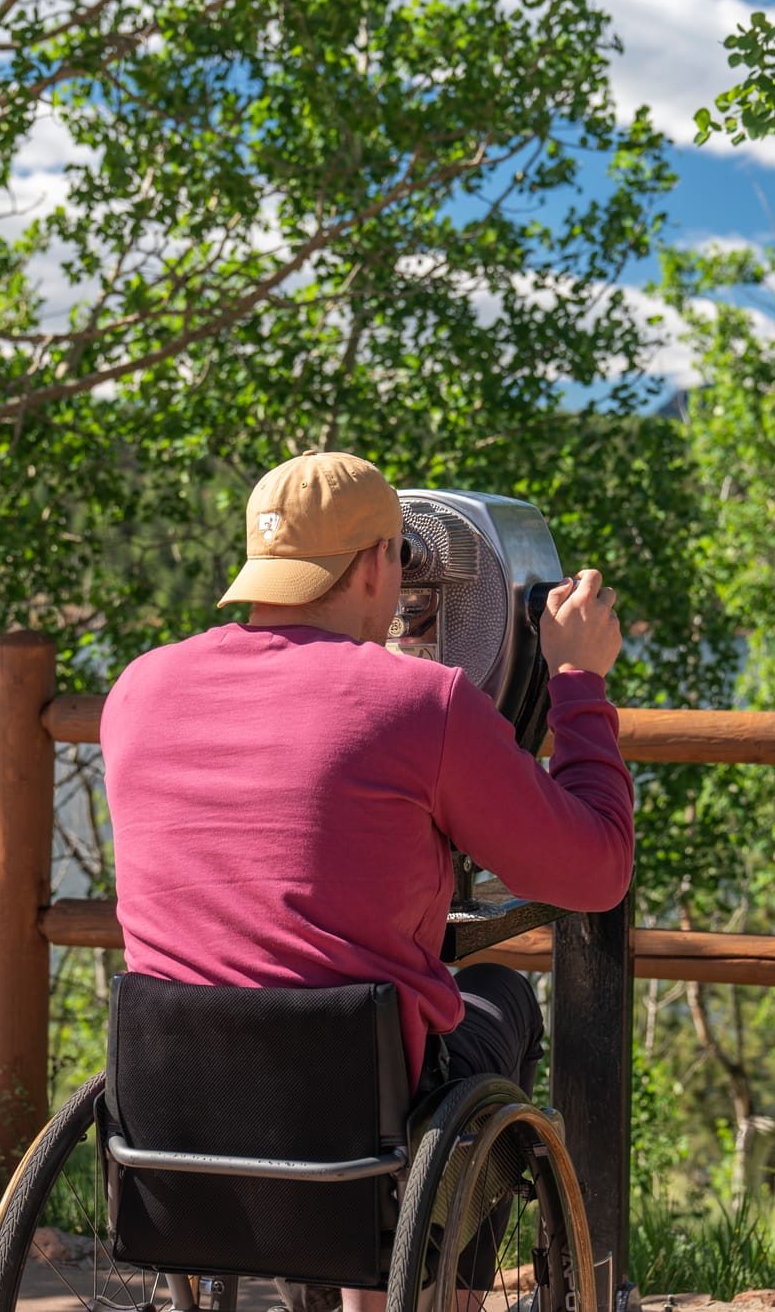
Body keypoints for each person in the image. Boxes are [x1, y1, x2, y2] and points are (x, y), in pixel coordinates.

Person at [99, 450, 634, 1308]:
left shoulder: (135, 689)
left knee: (371, 1055)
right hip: (353, 1123)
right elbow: (597, 869)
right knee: (498, 997)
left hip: (171, 1117)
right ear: (382, 562)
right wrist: (576, 680)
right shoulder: (421, 702)